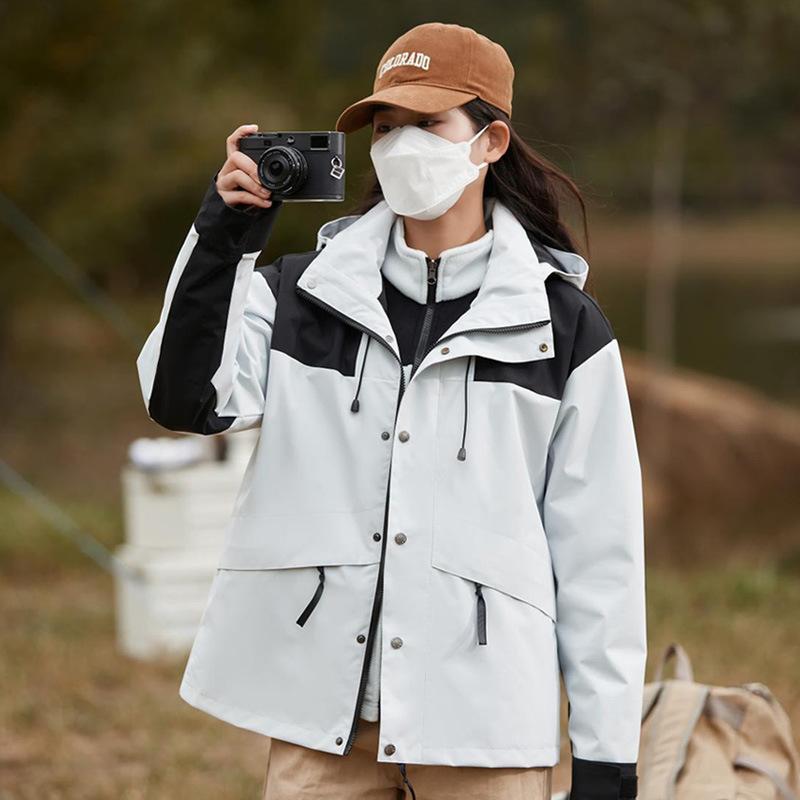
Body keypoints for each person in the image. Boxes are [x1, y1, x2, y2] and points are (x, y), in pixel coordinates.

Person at [136, 21, 646, 800]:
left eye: (428, 123)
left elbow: (599, 555)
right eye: (385, 127)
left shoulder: (563, 329)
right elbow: (183, 398)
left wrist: (606, 758)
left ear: (490, 142)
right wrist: (223, 237)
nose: (401, 144)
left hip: (485, 727)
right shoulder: (297, 295)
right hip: (322, 720)